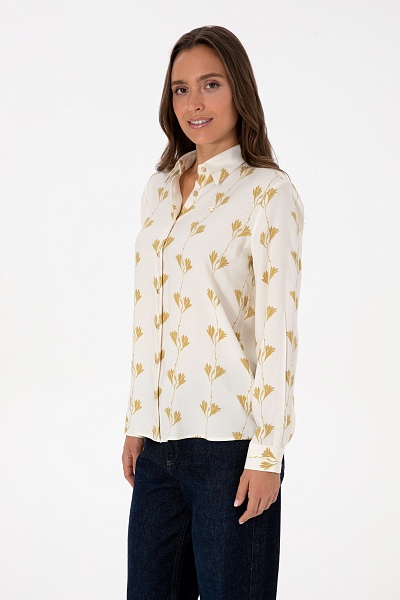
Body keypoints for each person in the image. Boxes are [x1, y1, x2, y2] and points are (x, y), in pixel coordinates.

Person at [122, 25, 304, 600]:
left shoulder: (268, 192)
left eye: (210, 84)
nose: (193, 103)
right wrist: (136, 421)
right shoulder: (158, 190)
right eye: (180, 89)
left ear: (239, 90)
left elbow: (278, 328)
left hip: (232, 450)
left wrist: (267, 455)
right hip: (158, 448)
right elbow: (148, 314)